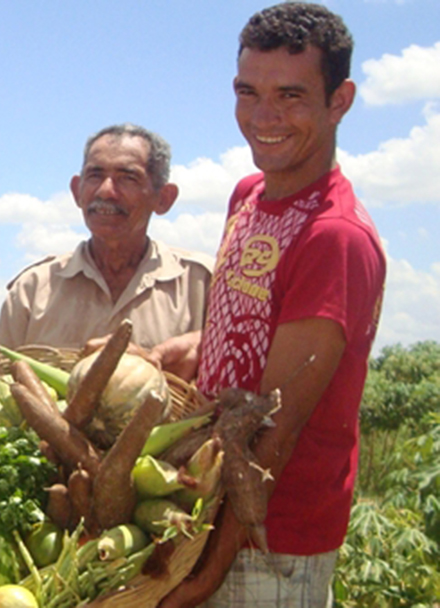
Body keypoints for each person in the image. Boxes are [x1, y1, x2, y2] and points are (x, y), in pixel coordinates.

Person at [153, 4, 386, 607]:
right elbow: (247, 332)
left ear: (341, 100)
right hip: (209, 513)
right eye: (247, 92)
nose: (263, 117)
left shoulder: (335, 237)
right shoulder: (249, 196)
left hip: (272, 541)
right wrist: (168, 355)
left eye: (290, 96)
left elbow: (275, 432)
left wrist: (207, 576)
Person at [0, 124, 212, 350]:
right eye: (95, 176)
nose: (106, 191)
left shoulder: (200, 283)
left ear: (164, 199)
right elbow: (1, 379)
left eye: (127, 178)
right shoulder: (32, 290)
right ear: (76, 191)